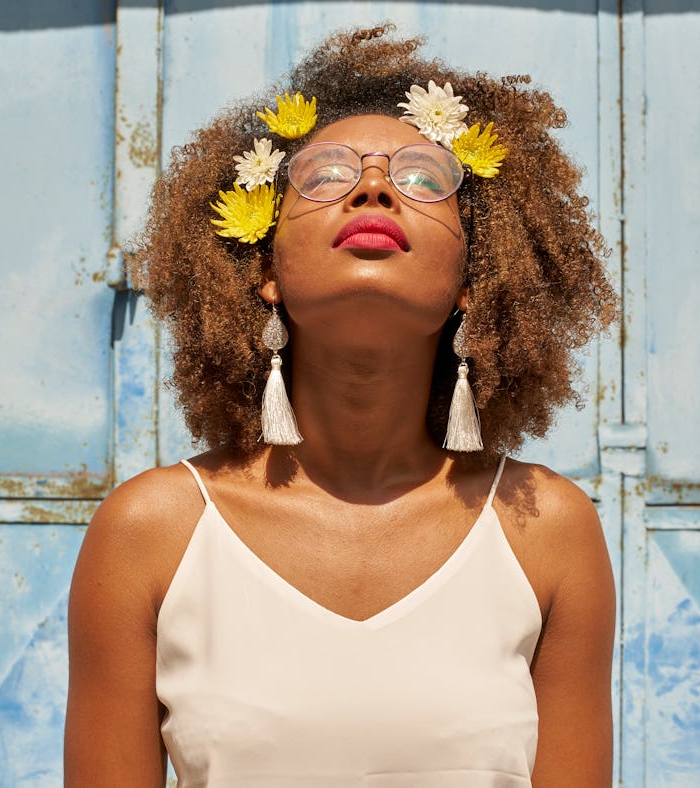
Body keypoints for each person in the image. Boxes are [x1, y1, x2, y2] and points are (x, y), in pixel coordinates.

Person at [65, 24, 616, 787]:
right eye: (324, 173)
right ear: (264, 266)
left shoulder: (546, 530)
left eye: (426, 178)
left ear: (473, 279)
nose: (374, 187)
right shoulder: (150, 534)